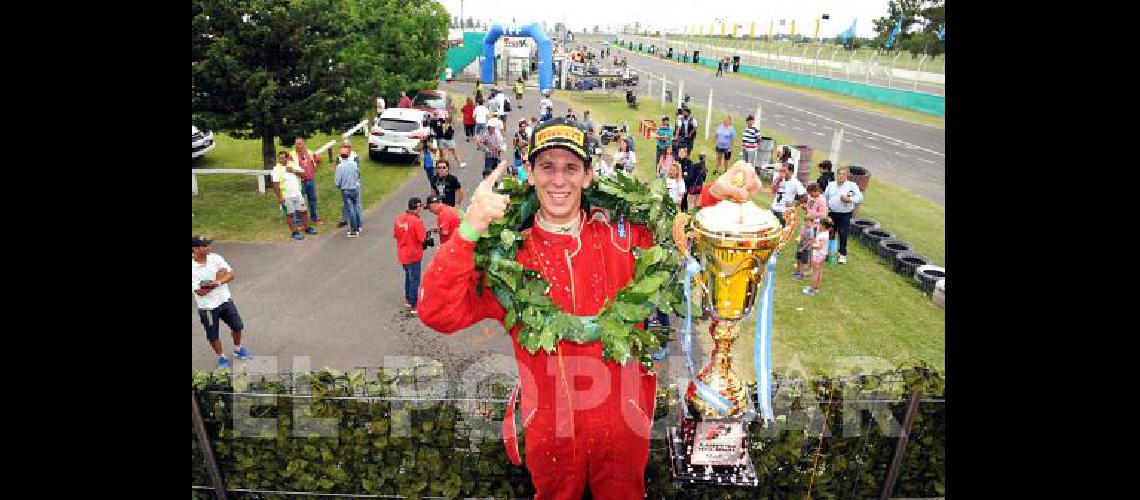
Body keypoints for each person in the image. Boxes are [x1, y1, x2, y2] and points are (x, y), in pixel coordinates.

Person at [418, 119, 766, 498]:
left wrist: (718, 192)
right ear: (530, 173)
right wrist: (469, 231)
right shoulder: (508, 257)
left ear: (587, 176)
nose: (558, 180)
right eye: (547, 166)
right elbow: (437, 312)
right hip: (550, 431)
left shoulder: (625, 234)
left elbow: (689, 235)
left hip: (623, 427)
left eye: (571, 168)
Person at [193, 236, 250, 369]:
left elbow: (231, 275)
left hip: (225, 301)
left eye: (208, 244)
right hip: (207, 308)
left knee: (237, 326)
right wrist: (218, 278)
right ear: (195, 249)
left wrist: (216, 282)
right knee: (213, 335)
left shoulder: (215, 258)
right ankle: (221, 357)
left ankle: (237, 349)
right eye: (205, 246)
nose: (209, 248)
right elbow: (200, 292)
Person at [271, 151, 317, 240]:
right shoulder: (277, 169)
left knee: (303, 211)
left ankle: (307, 228)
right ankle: (294, 232)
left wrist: (293, 171)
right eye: (280, 158)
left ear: (287, 158)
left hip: (297, 194)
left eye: (283, 158)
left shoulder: (293, 164)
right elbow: (275, 184)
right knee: (290, 214)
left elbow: (303, 174)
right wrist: (279, 197)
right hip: (286, 196)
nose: (281, 160)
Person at [393, 197, 427, 314]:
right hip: (413, 255)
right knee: (414, 280)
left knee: (408, 277)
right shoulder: (416, 221)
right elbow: (422, 238)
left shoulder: (399, 219)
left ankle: (408, 300)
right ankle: (414, 305)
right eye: (420, 206)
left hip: (403, 254)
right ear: (416, 207)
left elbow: (396, 235)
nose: (422, 208)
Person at [824, 167, 864, 264]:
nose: (841, 176)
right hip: (832, 213)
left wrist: (849, 199)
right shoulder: (831, 185)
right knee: (830, 233)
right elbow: (826, 197)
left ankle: (842, 255)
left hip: (845, 214)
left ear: (846, 176)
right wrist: (826, 209)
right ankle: (829, 253)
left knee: (843, 234)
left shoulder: (852, 185)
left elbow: (860, 197)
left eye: (843, 174)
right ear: (836, 175)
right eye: (839, 174)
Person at [292, 137, 324, 225]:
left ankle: (314, 218)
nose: (297, 146)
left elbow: (317, 163)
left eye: (299, 143)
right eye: (296, 144)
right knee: (299, 201)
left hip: (310, 180)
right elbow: (289, 168)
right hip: (300, 182)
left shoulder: (310, 153)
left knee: (312, 199)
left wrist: (318, 159)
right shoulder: (292, 155)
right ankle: (298, 220)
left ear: (304, 144)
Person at [334, 143, 363, 237]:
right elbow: (358, 174)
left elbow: (337, 181)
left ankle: (354, 230)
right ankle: (359, 226)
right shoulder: (354, 164)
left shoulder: (340, 167)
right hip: (354, 188)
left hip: (345, 190)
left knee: (350, 209)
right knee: (356, 207)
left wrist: (338, 186)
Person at [804, 218, 833, 296]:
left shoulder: (822, 235)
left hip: (818, 255)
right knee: (820, 270)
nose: (818, 225)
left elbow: (819, 246)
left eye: (819, 224)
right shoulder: (826, 232)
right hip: (823, 254)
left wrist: (811, 246)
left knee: (815, 272)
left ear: (823, 226)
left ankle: (812, 289)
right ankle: (816, 287)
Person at [793, 217, 816, 281]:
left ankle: (801, 275)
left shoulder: (811, 231)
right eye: (806, 222)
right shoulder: (802, 227)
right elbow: (800, 234)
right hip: (799, 246)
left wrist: (803, 248)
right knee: (798, 259)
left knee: (802, 262)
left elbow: (810, 241)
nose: (807, 223)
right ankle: (797, 272)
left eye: (809, 222)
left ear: (812, 223)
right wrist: (798, 238)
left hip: (805, 248)